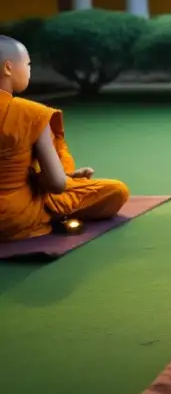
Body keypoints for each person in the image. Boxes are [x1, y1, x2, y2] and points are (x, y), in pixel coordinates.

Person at [0, 36, 130, 242]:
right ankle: (58, 217)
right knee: (116, 191)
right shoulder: (30, 113)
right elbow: (56, 184)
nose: (29, 70)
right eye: (27, 64)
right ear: (8, 68)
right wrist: (63, 177)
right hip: (12, 218)